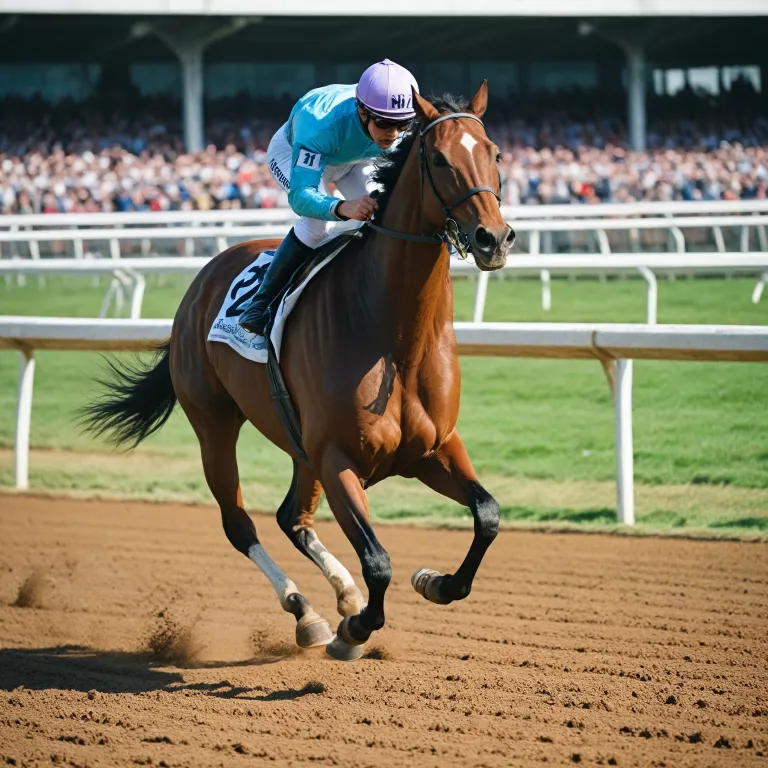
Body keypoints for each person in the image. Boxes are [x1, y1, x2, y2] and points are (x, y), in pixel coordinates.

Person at [238, 59, 419, 335]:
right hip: (295, 154)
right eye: (384, 123)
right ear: (362, 112)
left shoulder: (389, 117)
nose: (393, 134)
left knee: (386, 211)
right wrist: (342, 207)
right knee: (318, 225)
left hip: (354, 157)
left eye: (403, 124)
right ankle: (259, 303)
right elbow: (301, 197)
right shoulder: (319, 123)